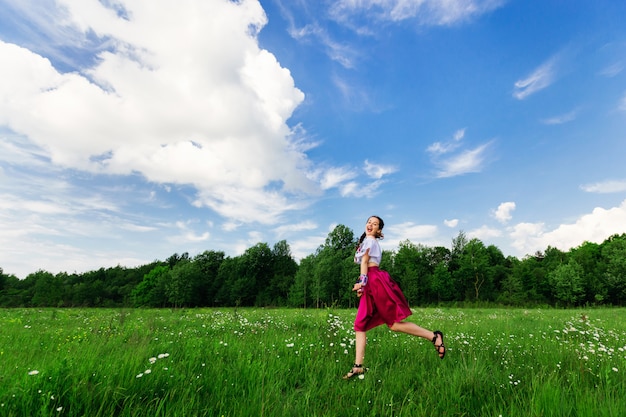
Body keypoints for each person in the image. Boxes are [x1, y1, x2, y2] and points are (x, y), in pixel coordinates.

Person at [343, 215, 446, 379]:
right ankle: (358, 367)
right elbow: (365, 265)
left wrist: (361, 282)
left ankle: (433, 336)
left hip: (375, 282)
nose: (370, 225)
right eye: (369, 222)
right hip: (373, 281)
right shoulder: (369, 241)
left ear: (379, 230)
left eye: (374, 224)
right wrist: (363, 283)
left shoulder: (370, 241)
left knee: (382, 324)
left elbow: (364, 263)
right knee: (370, 324)